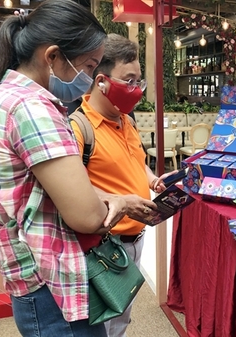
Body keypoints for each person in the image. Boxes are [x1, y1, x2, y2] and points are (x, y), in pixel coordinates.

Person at [0, 1, 128, 336]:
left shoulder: (5, 97)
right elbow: (86, 217)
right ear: (53, 56)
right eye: (88, 66)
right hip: (51, 281)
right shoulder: (34, 109)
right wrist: (117, 203)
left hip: (33, 274)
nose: (88, 80)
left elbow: (41, 188)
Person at [69, 33, 175, 337]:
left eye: (138, 81)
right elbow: (69, 190)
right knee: (101, 324)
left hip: (135, 238)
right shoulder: (79, 128)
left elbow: (136, 160)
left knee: (121, 318)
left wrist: (152, 180)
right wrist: (120, 199)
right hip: (104, 248)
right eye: (129, 81)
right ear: (101, 81)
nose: (136, 90)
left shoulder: (125, 120)